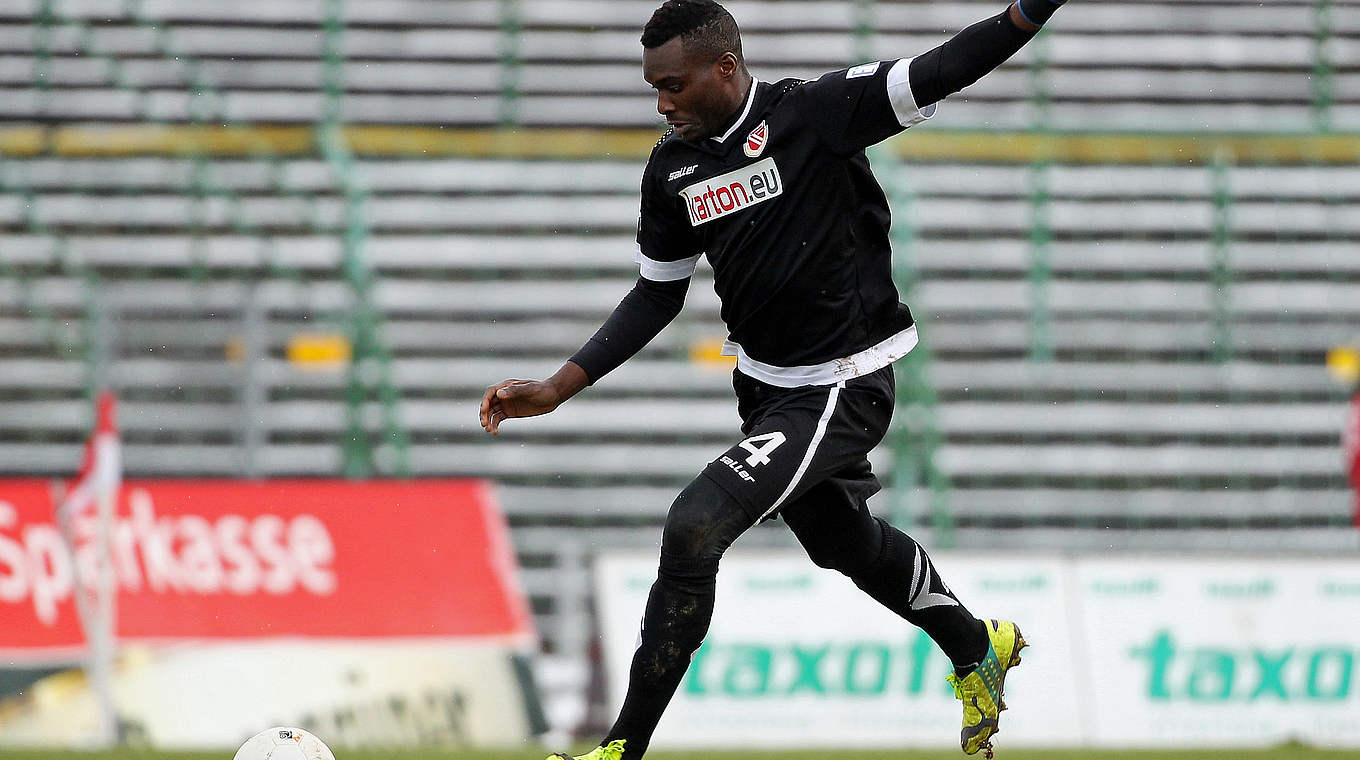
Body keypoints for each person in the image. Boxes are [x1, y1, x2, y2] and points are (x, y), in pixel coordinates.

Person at [480, 0, 1068, 756]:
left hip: (842, 382)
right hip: (766, 386)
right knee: (840, 543)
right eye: (653, 89)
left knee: (694, 525)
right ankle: (974, 645)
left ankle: (618, 749)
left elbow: (942, 68)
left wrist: (1027, 11)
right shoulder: (673, 169)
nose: (662, 103)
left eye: (674, 85)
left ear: (724, 68)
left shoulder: (816, 113)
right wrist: (560, 385)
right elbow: (658, 292)